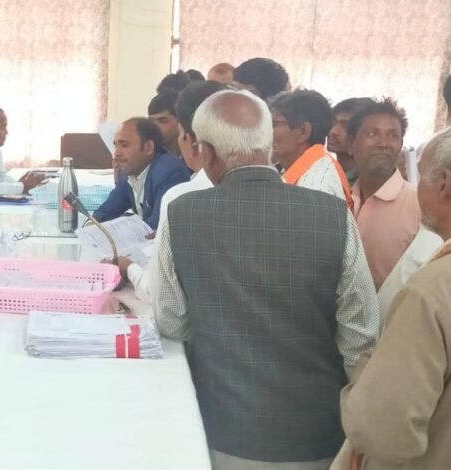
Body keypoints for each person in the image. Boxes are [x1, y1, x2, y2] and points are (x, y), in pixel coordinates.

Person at [152, 89, 379, 469]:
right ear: (268, 145)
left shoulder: (182, 214)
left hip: (222, 429)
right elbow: (361, 335)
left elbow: (171, 322)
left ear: (206, 153)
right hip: (318, 433)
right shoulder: (332, 215)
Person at [340, 128, 451, 469]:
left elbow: (384, 430)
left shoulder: (431, 291)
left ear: (445, 183)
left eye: (421, 174)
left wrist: (361, 382)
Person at [120, 80, 224, 301]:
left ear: (188, 139)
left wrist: (128, 268)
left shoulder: (182, 198)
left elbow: (160, 296)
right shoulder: (284, 191)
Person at [348, 98, 420, 289]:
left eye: (393, 136)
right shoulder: (339, 197)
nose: (383, 144)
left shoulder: (419, 204)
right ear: (351, 143)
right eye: (372, 134)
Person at [92, 118, 190, 230]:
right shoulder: (128, 170)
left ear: (148, 147)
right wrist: (90, 224)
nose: (117, 153)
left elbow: (156, 227)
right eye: (116, 146)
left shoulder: (169, 171)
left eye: (124, 145)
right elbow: (106, 210)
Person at [268, 89, 353, 208]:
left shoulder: (316, 187)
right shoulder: (312, 171)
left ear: (303, 131)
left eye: (273, 125)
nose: (265, 131)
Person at [328, 97, 376, 187]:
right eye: (333, 123)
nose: (333, 131)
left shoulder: (370, 184)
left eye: (345, 126)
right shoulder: (325, 173)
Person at [147, 90, 182, 157]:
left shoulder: (196, 153)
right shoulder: (147, 157)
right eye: (151, 121)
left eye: (162, 121)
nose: (154, 127)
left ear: (180, 121)